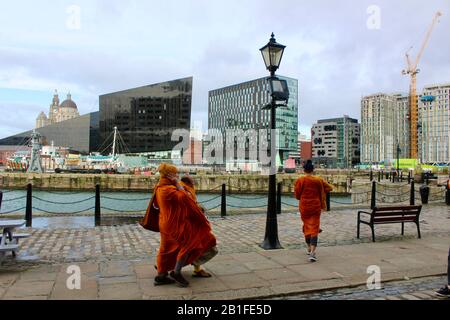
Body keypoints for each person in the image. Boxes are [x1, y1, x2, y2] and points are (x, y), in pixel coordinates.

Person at [150, 163, 217, 287]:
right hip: (174, 224)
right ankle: (176, 272)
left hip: (164, 222)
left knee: (165, 249)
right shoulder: (169, 190)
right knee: (188, 245)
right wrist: (177, 184)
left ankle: (161, 276)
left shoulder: (160, 187)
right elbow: (186, 198)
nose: (177, 176)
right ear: (169, 175)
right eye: (174, 173)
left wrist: (177, 184)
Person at [294, 160, 333, 262]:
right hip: (315, 206)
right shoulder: (318, 180)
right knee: (314, 228)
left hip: (304, 207)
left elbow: (297, 195)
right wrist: (320, 191)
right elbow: (330, 188)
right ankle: (312, 253)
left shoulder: (300, 180)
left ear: (304, 170)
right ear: (313, 170)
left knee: (306, 226)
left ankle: (308, 247)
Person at [180, 175, 218, 278]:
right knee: (210, 248)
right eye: (192, 182)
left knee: (192, 248)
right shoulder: (186, 192)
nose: (194, 184)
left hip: (191, 227)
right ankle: (170, 268)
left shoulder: (185, 190)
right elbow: (189, 208)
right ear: (188, 183)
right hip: (192, 228)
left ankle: (168, 268)